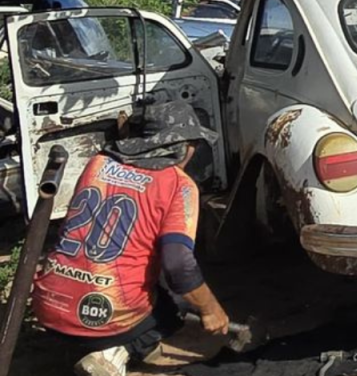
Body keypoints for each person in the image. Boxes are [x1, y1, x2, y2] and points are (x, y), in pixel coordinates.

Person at [32, 102, 231, 376]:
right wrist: (210, 310)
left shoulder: (97, 163)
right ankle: (114, 355)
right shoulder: (178, 185)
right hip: (105, 314)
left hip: (49, 303)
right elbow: (178, 266)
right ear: (185, 146)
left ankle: (100, 342)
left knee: (158, 288)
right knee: (168, 316)